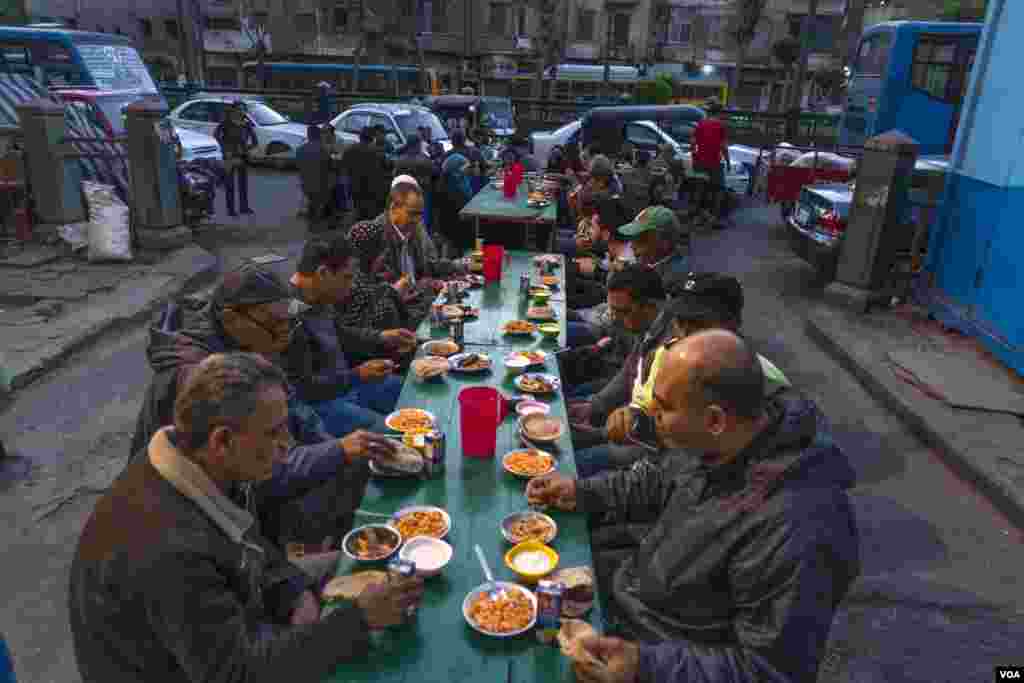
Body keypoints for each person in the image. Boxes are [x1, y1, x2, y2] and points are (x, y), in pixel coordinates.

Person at [527, 330, 860, 683]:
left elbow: (768, 671)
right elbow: (657, 480)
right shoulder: (721, 440)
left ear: (715, 420)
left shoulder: (799, 527)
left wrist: (645, 667)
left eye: (664, 407)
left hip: (661, 650)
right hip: (639, 593)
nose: (649, 413)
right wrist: (581, 491)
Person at [71, 353, 426, 683]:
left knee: (352, 565)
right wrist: (358, 620)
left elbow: (247, 540)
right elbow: (236, 674)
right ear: (222, 440)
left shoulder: (204, 466)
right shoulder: (167, 550)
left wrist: (291, 586)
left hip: (237, 609)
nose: (288, 445)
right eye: (275, 433)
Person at [129, 263, 409, 545]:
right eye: (275, 325)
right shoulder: (204, 378)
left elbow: (294, 413)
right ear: (231, 318)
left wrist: (333, 447)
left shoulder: (252, 342)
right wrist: (336, 450)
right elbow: (260, 471)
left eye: (289, 323)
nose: (286, 334)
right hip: (201, 525)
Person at [574, 273, 792, 477]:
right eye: (680, 322)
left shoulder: (759, 379)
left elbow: (688, 458)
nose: (686, 334)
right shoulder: (673, 354)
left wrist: (632, 431)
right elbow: (658, 423)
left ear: (732, 323)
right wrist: (625, 422)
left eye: (699, 324)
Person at [287, 236, 410, 436]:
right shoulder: (288, 316)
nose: (352, 285)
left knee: (411, 388)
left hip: (346, 387)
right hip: (319, 404)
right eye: (347, 277)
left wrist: (382, 336)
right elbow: (304, 389)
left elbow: (340, 333)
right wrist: (357, 375)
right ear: (323, 273)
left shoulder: (319, 296)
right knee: (396, 433)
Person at [348, 182, 467, 326]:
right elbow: (385, 293)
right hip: (402, 315)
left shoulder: (413, 229)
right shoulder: (375, 238)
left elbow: (426, 266)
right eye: (413, 213)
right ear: (394, 208)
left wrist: (459, 264)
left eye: (420, 214)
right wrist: (419, 287)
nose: (418, 219)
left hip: (418, 303)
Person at [560, 265, 665, 405]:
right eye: (612, 310)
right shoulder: (646, 326)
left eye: (623, 311)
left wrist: (595, 407)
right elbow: (628, 370)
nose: (615, 319)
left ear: (650, 306)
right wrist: (594, 406)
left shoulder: (667, 348)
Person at [214, 100, 258, 217]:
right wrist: (225, 149)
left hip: (242, 156)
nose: (241, 111)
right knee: (230, 184)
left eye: (243, 109)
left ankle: (244, 207)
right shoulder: (226, 123)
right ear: (233, 110)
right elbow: (217, 136)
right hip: (230, 156)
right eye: (239, 109)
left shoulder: (246, 123)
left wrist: (248, 149)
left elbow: (254, 140)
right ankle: (231, 209)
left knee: (243, 183)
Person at [691, 98, 730, 223]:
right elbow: (723, 146)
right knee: (719, 189)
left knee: (700, 188)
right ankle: (714, 217)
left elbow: (692, 143)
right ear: (718, 113)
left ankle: (697, 215)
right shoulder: (720, 125)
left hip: (700, 162)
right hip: (714, 163)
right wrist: (728, 162)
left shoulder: (701, 124)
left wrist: (694, 158)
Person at [342, 126, 390, 221]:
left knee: (359, 213)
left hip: (355, 188)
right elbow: (387, 166)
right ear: (372, 138)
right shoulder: (377, 151)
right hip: (373, 190)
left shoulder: (349, 150)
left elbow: (344, 167)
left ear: (360, 137)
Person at [296, 123, 333, 233]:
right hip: (321, 186)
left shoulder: (300, 150)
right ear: (319, 135)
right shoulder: (323, 150)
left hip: (305, 185)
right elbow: (330, 167)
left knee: (314, 201)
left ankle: (313, 222)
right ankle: (319, 223)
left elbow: (299, 167)